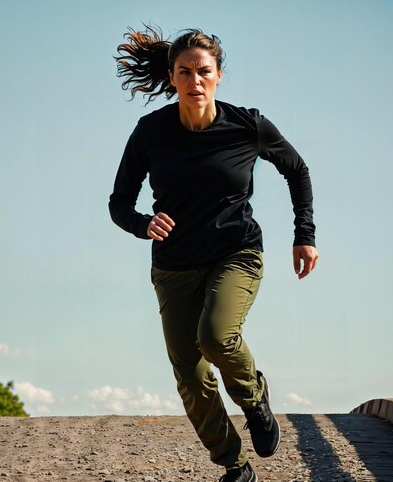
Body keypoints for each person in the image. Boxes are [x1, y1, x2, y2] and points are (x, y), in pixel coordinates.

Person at [108, 26, 318, 482]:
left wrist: (305, 234)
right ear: (172, 77)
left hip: (236, 253)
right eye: (185, 72)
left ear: (218, 76)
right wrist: (143, 223)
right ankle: (234, 466)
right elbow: (118, 202)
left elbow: (297, 170)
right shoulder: (151, 132)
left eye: (204, 71)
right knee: (190, 376)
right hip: (174, 266)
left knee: (216, 336)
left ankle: (254, 399)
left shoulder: (247, 126)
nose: (195, 80)